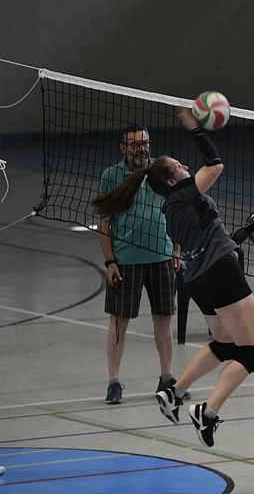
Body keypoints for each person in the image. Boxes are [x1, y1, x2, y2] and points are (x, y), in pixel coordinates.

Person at [93, 108, 254, 448]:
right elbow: (216, 163)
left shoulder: (172, 208)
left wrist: (251, 226)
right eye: (180, 167)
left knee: (224, 345)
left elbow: (215, 240)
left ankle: (173, 392)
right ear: (174, 182)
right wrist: (194, 127)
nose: (188, 168)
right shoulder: (184, 194)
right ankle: (206, 411)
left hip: (200, 279)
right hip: (220, 273)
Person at [97, 124, 181, 404]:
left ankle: (167, 379)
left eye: (145, 143)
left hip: (161, 258)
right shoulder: (112, 176)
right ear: (123, 148)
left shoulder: (161, 173)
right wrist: (110, 261)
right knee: (119, 322)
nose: (141, 149)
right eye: (135, 145)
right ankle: (113, 382)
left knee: (164, 319)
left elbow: (178, 210)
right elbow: (104, 222)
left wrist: (177, 250)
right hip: (126, 260)